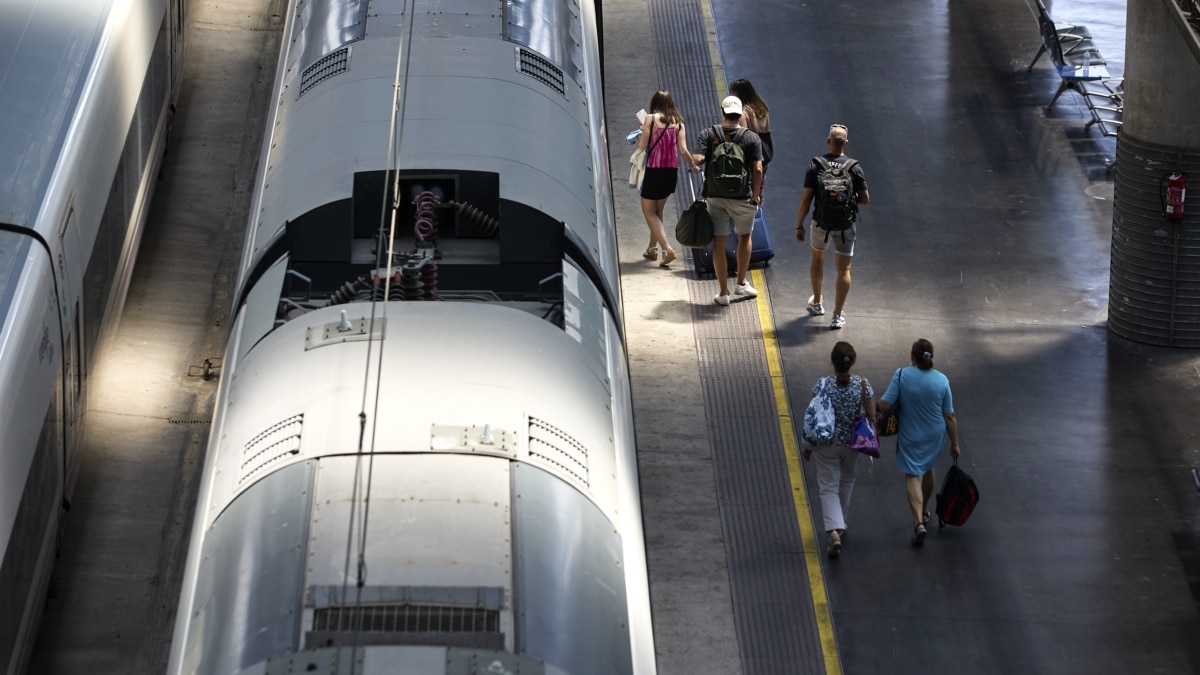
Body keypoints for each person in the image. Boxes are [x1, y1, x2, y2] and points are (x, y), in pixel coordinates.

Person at [877, 339, 961, 547]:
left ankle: (918, 524)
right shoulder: (942, 380)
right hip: (935, 434)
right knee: (928, 467)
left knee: (913, 475)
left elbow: (885, 403)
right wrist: (954, 444)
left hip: (911, 434)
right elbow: (950, 416)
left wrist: (879, 405)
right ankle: (923, 511)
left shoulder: (902, 374)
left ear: (912, 357)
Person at [801, 341, 875, 558]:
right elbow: (871, 417)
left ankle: (833, 530)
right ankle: (840, 524)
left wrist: (808, 447)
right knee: (847, 481)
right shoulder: (863, 385)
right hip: (853, 445)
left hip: (827, 445)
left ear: (832, 362)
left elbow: (812, 420)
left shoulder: (822, 385)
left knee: (827, 487)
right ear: (853, 361)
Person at [794, 123, 869, 330]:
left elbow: (805, 199)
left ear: (828, 141)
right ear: (846, 143)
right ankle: (837, 316)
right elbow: (865, 199)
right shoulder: (854, 167)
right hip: (845, 226)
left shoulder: (816, 165)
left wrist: (799, 225)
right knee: (844, 269)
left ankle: (817, 303)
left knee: (817, 261)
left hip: (821, 223)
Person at [691, 96, 764, 306]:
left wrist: (692, 159)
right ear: (740, 114)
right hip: (742, 197)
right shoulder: (750, 138)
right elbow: (757, 169)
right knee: (744, 237)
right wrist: (756, 194)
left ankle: (723, 293)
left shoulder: (709, 133)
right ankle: (741, 283)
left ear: (722, 112)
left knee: (719, 242)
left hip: (715, 196)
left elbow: (698, 159)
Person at [637, 90, 699, 268]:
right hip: (671, 173)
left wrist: (644, 131)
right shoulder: (679, 123)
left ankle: (667, 248)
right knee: (658, 211)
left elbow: (642, 146)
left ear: (654, 103)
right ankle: (652, 249)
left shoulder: (650, 119)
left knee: (649, 212)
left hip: (653, 171)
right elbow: (683, 150)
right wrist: (693, 165)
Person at [728, 79, 772, 180]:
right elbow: (767, 132)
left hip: (750, 159)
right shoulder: (763, 108)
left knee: (748, 189)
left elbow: (743, 139)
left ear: (739, 95)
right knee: (759, 187)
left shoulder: (743, 114)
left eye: (733, 94)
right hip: (763, 156)